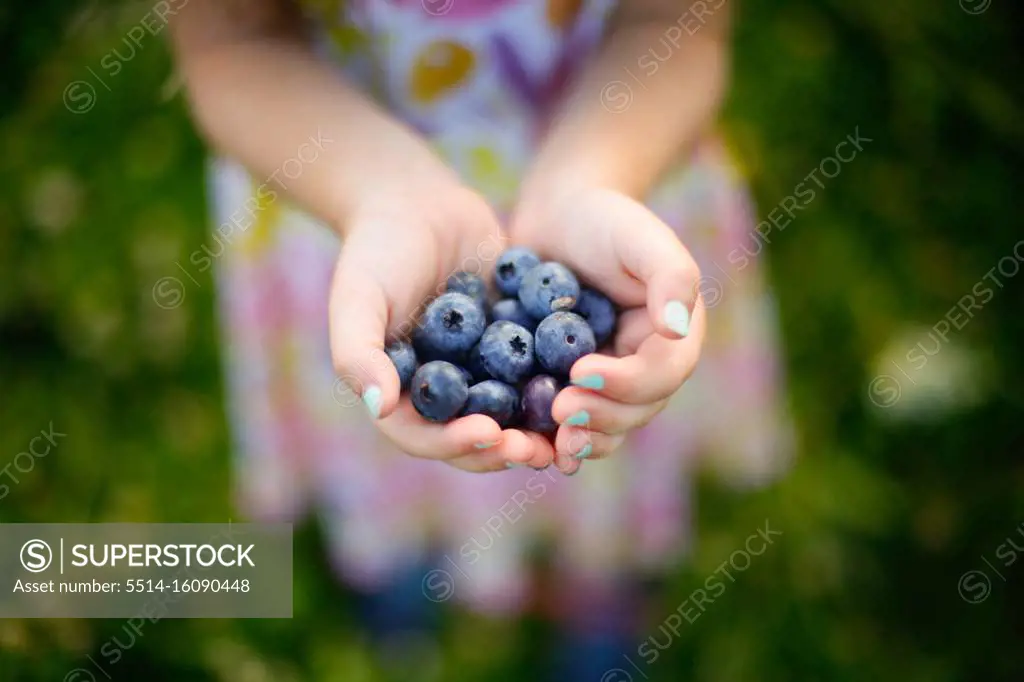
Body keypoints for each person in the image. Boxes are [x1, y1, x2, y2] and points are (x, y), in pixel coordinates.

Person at [169, 0, 790, 675]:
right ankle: (402, 571)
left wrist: (591, 179)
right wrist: (383, 193)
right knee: (393, 427)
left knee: (586, 436)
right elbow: (233, 42)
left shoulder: (573, 293)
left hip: (614, 172)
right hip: (345, 199)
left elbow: (677, 25)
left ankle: (595, 593)